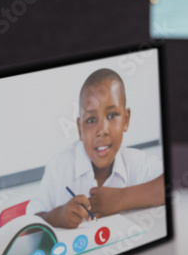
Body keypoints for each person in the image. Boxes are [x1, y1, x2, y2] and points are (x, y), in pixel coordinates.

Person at [27, 68, 164, 228]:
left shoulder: (135, 162)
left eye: (112, 116)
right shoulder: (59, 166)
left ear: (126, 120)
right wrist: (58, 216)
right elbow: (28, 225)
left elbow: (178, 181)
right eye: (91, 120)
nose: (102, 130)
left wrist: (121, 199)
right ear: (80, 129)